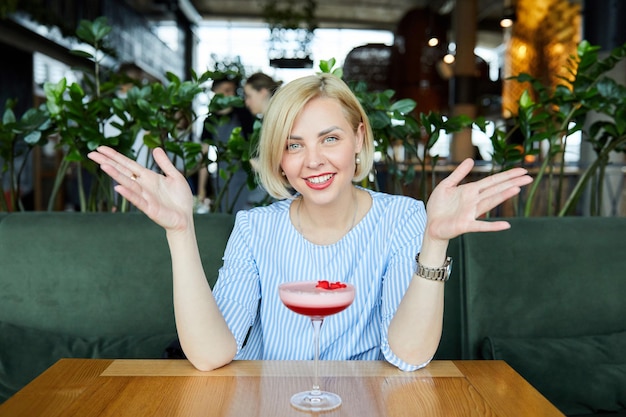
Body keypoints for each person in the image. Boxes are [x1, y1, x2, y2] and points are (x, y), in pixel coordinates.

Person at [87, 73, 532, 372]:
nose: (313, 160)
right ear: (279, 158)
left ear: (358, 138)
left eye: (330, 138)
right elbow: (209, 356)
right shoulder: (254, 228)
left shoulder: (403, 217)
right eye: (294, 144)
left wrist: (435, 240)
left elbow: (408, 355)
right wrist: (180, 230)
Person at [197, 76, 255, 213]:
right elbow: (204, 155)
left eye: (232, 90)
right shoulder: (209, 121)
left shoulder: (244, 115)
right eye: (226, 90)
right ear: (215, 92)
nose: (230, 94)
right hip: (222, 178)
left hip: (245, 177)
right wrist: (201, 189)